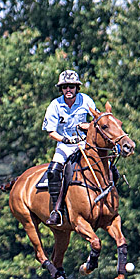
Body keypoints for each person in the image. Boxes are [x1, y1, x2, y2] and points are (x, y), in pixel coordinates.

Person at [41, 70, 97, 226]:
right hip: (65, 145)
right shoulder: (55, 105)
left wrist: (86, 126)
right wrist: (65, 139)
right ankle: (57, 209)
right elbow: (51, 131)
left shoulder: (86, 101)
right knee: (53, 172)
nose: (68, 90)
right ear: (61, 89)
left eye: (71, 87)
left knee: (108, 165)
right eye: (65, 87)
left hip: (85, 144)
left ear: (76, 88)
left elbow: (97, 121)